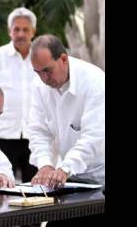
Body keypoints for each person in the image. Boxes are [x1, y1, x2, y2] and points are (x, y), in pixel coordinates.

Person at [28, 34, 105, 189]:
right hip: (69, 175)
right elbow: (38, 130)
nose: (44, 78)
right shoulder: (39, 85)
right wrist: (45, 164)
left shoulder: (95, 82)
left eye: (47, 70)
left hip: (100, 174)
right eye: (38, 72)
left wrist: (65, 168)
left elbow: (94, 135)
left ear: (63, 59)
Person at [0, 7, 38, 183]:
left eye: (25, 29)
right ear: (9, 31)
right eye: (16, 29)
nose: (20, 34)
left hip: (34, 136)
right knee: (3, 189)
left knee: (36, 190)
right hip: (2, 136)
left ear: (33, 31)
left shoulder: (42, 57)